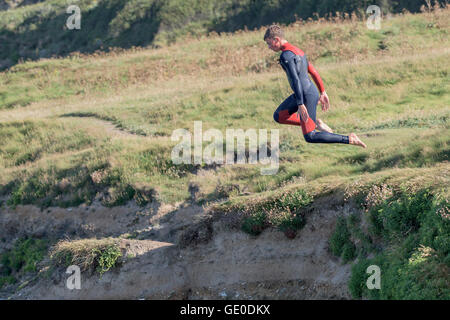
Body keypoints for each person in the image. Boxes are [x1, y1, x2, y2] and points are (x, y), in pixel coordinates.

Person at [264, 25, 367, 148]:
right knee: (279, 116)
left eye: (269, 44)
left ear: (276, 39)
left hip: (305, 95)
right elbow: (313, 71)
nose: (269, 47)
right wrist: (323, 92)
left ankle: (349, 139)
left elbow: (295, 79)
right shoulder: (298, 51)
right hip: (306, 92)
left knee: (310, 136)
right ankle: (316, 123)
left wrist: (300, 104)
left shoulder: (286, 56)